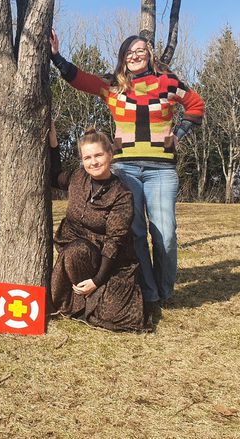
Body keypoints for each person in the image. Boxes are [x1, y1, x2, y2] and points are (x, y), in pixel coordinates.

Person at [50, 31, 205, 308]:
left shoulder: (168, 82)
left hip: (162, 169)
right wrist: (56, 56)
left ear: (150, 55)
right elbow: (79, 78)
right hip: (126, 168)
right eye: (129, 52)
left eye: (140, 51)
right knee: (134, 234)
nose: (135, 56)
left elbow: (196, 104)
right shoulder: (113, 85)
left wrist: (179, 134)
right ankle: (150, 293)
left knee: (164, 233)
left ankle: (165, 289)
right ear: (123, 57)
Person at [49, 124, 151, 331]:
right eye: (87, 158)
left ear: (110, 155)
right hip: (80, 253)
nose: (93, 162)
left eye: (98, 156)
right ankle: (78, 301)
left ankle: (95, 293)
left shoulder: (122, 195)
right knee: (76, 250)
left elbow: (114, 243)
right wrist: (53, 142)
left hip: (112, 262)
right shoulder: (77, 178)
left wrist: (97, 281)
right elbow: (54, 175)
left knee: (116, 317)